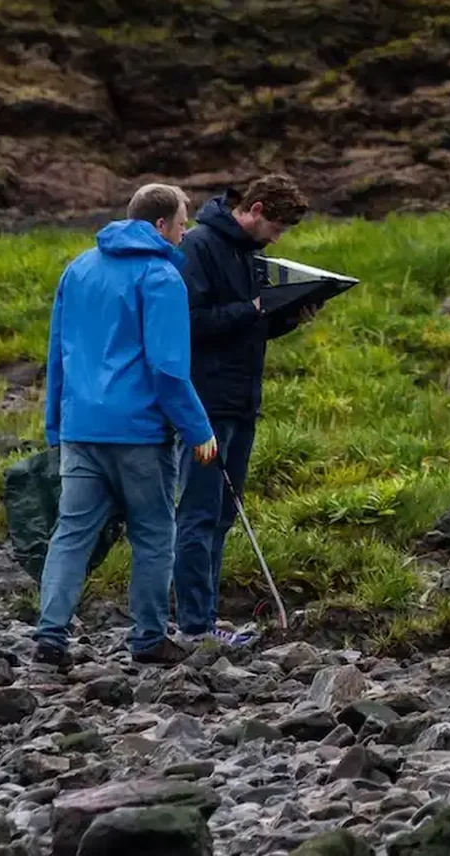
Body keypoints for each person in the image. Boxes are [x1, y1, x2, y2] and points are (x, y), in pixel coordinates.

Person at [37, 183, 219, 669]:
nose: (186, 233)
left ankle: (50, 638)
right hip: (138, 433)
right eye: (183, 224)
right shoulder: (161, 277)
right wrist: (200, 430)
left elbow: (58, 354)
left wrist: (55, 425)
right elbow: (168, 369)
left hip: (81, 428)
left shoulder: (78, 268)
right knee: (155, 533)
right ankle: (148, 638)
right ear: (160, 225)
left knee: (71, 534)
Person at [173, 175, 315, 647]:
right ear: (253, 209)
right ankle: (194, 624)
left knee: (222, 515)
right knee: (197, 512)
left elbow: (246, 327)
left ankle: (205, 614)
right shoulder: (199, 246)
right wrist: (255, 308)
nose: (278, 237)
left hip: (242, 402)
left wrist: (287, 315)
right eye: (276, 226)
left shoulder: (249, 254)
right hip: (205, 402)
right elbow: (190, 324)